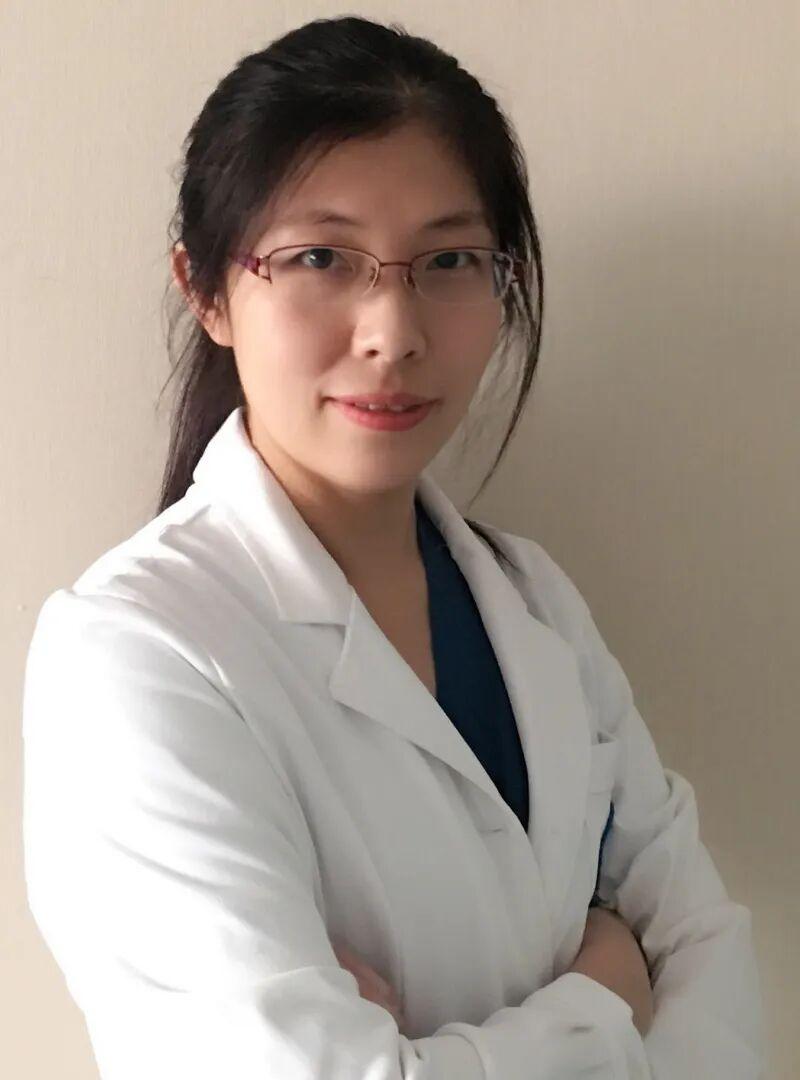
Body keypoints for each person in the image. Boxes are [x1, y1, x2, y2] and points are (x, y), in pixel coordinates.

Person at [22, 15, 765, 1079]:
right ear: (207, 290)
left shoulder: (531, 601)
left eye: (449, 260)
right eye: (320, 258)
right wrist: (604, 997)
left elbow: (704, 956)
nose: (392, 332)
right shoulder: (139, 655)